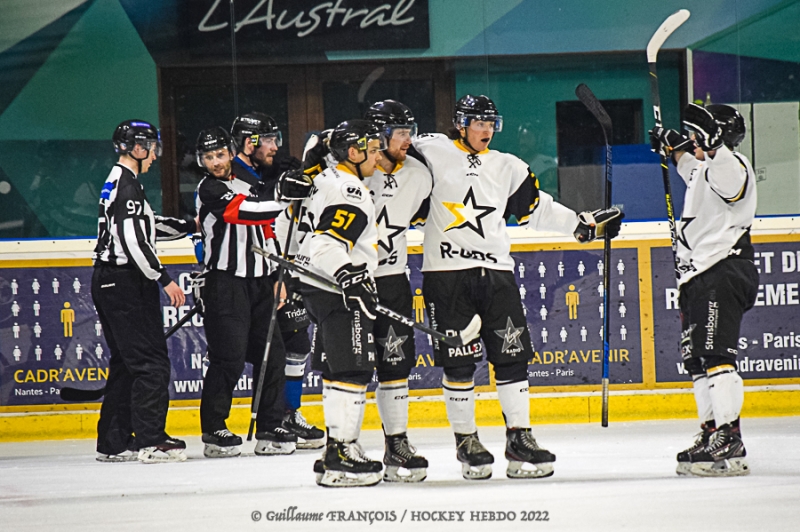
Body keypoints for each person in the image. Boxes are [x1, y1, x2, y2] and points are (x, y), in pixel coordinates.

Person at [413, 95, 622, 480]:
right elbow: (389, 161)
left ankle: (518, 437)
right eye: (478, 122)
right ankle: (467, 440)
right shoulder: (431, 151)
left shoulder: (508, 166)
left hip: (497, 275)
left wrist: (582, 225)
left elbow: (536, 208)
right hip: (446, 275)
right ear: (460, 124)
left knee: (512, 358)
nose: (486, 130)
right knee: (458, 362)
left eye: (491, 123)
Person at [650, 103, 758, 477]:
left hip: (723, 269)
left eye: (700, 134)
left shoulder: (732, 165)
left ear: (717, 137)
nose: (694, 141)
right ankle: (713, 430)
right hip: (698, 275)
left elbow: (726, 181)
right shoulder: (705, 169)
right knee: (697, 360)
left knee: (716, 354)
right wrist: (674, 146)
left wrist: (710, 146)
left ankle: (730, 436)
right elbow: (690, 167)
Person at [195, 127, 312, 458]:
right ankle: (214, 428)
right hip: (226, 283)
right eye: (208, 157)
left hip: (262, 282)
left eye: (219, 155)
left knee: (272, 355)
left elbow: (267, 231)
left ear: (230, 152)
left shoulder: (249, 180)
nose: (215, 162)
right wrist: (283, 198)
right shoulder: (209, 188)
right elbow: (243, 213)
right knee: (228, 358)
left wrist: (277, 277)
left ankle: (270, 425)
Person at [92, 119, 196, 463]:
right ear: (137, 148)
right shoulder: (128, 188)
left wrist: (189, 225)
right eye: (152, 147)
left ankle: (114, 441)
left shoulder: (118, 182)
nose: (155, 155)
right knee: (151, 363)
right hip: (125, 284)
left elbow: (147, 226)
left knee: (126, 362)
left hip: (108, 281)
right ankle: (151, 440)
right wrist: (164, 279)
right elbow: (135, 242)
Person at [291, 119, 384, 487]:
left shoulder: (322, 181)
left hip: (318, 286)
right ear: (353, 152)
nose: (378, 156)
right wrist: (350, 276)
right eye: (372, 150)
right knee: (353, 371)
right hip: (338, 288)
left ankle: (335, 446)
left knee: (335, 370)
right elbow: (326, 243)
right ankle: (342, 453)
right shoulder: (350, 189)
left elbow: (301, 234)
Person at [230, 113, 322, 448]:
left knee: (295, 345)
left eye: (275, 138)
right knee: (259, 351)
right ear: (248, 142)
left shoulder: (276, 169)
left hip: (281, 271)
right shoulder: (235, 174)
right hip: (254, 276)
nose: (274, 146)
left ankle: (287, 413)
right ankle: (272, 417)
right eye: (267, 140)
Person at [361, 99, 432, 482]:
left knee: (395, 365)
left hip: (392, 280)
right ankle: (344, 444)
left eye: (409, 132)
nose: (408, 140)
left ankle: (397, 444)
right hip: (350, 282)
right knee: (350, 367)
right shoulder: (351, 171)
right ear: (379, 135)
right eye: (401, 133)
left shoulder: (420, 175)